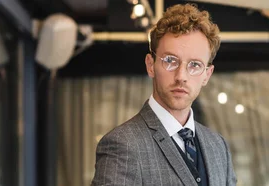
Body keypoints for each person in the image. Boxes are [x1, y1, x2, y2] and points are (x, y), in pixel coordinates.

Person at [91, 3, 236, 186]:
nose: (181, 76)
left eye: (195, 65)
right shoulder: (123, 144)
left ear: (207, 74)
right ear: (150, 65)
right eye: (170, 61)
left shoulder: (218, 146)